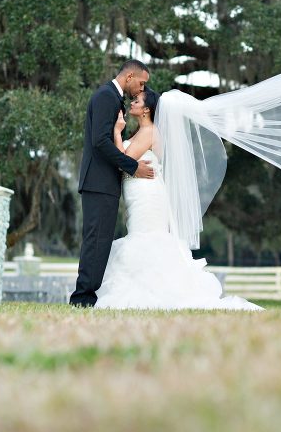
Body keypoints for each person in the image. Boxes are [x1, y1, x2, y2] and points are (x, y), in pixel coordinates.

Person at [93, 87, 263, 311]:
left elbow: (122, 162)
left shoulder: (149, 132)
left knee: (146, 238)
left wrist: (116, 132)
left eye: (137, 100)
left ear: (146, 109)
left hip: (147, 195)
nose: (131, 102)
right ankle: (150, 287)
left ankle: (153, 291)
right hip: (138, 193)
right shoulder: (140, 132)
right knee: (143, 237)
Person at [70, 60, 156, 308]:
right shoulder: (106, 96)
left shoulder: (112, 98)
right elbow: (99, 141)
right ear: (129, 77)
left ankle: (87, 296)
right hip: (98, 182)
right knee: (96, 240)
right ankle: (82, 298)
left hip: (104, 183)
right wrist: (133, 167)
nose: (141, 89)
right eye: (141, 83)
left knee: (100, 240)